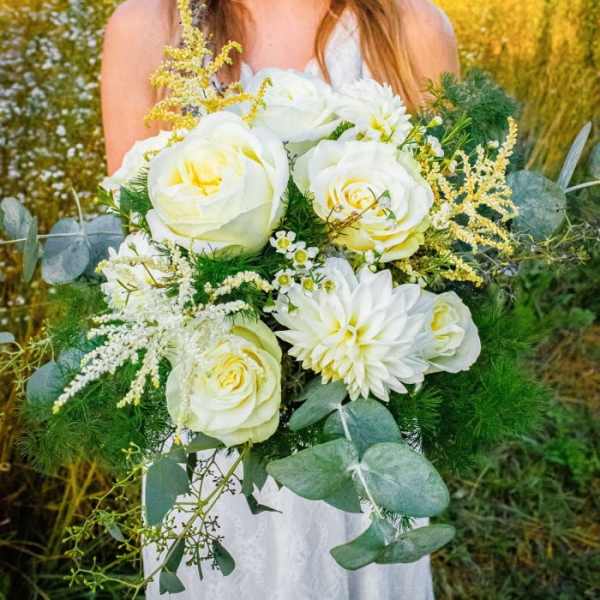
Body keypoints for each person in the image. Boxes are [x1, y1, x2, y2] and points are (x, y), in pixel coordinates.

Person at [101, 1, 459, 597]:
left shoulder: (411, 28)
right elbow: (143, 243)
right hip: (217, 412)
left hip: (363, 415)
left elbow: (444, 245)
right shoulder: (149, 27)